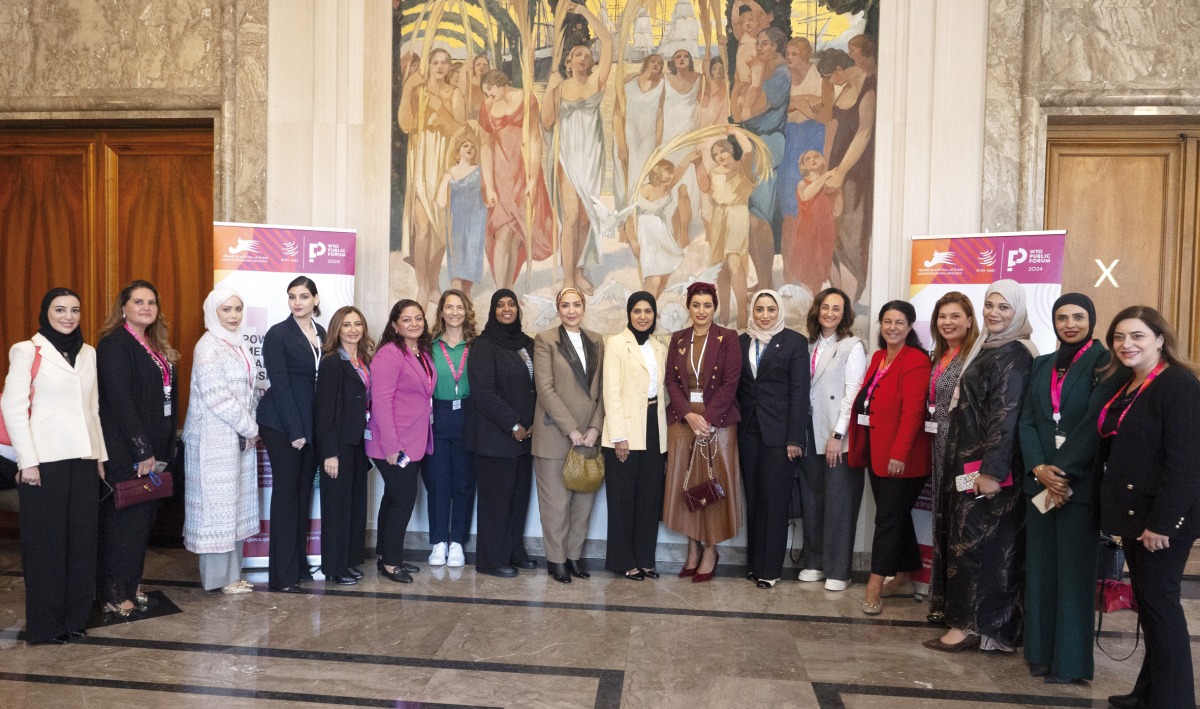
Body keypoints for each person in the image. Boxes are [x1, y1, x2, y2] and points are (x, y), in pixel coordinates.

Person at [925, 279, 1036, 652]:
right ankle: (967, 622)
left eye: (1004, 307)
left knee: (980, 548)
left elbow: (1006, 419)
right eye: (990, 305)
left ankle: (973, 628)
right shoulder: (989, 348)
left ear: (1018, 310)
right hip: (968, 464)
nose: (995, 313)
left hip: (990, 472)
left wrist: (990, 472)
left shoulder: (1016, 354)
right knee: (966, 542)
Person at [1099, 307, 1199, 709]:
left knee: (1160, 604)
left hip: (1161, 520)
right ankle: (1149, 692)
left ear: (1160, 339)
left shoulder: (1178, 385)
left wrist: (1162, 524)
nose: (1127, 345)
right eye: (1120, 337)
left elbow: (1186, 463)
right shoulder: (1127, 382)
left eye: (1138, 336)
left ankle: (1176, 701)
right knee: (1151, 603)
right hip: (1134, 514)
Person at [1017, 293, 1113, 684]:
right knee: (1039, 570)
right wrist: (1040, 468)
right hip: (1041, 485)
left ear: (1091, 319)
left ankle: (1070, 663)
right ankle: (1039, 654)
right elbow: (1026, 422)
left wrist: (1063, 472)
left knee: (1073, 576)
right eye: (1062, 317)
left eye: (1078, 316)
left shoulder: (1108, 365)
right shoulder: (1041, 365)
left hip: (1079, 485)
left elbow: (1096, 422)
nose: (1070, 323)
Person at [3, 288, 106, 643]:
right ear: (46, 312)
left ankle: (75, 619)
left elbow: (92, 409)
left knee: (82, 543)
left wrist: (100, 457)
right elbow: (13, 409)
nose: (68, 316)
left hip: (83, 459)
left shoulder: (88, 353)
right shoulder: (27, 350)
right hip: (43, 463)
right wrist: (27, 461)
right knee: (46, 546)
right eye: (60, 309)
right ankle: (46, 627)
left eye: (75, 310)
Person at [95, 280, 179, 615]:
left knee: (141, 524)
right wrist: (142, 450)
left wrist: (163, 448)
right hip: (128, 452)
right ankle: (115, 595)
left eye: (152, 302)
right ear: (124, 307)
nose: (146, 307)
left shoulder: (153, 344)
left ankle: (130, 584)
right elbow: (120, 402)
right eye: (138, 301)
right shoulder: (115, 344)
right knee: (123, 525)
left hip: (154, 451)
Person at [847, 300, 931, 615]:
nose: (892, 327)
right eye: (887, 321)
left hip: (904, 459)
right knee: (893, 515)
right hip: (876, 451)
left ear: (910, 327)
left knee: (886, 521)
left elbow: (913, 413)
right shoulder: (880, 356)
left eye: (899, 322)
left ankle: (875, 584)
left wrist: (899, 454)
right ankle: (906, 577)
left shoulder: (916, 360)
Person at [182, 288, 259, 595]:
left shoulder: (237, 343)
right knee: (216, 509)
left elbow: (249, 391)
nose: (233, 315)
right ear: (213, 312)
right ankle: (219, 579)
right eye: (226, 310)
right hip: (213, 439)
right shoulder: (208, 346)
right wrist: (250, 428)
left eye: (238, 309)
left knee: (233, 505)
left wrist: (247, 429)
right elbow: (218, 398)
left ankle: (232, 576)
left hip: (237, 436)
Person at [663, 282, 742, 583]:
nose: (701, 311)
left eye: (707, 305)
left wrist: (705, 420)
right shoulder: (678, 339)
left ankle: (710, 550)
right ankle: (692, 549)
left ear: (715, 307)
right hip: (683, 424)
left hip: (718, 423)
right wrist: (689, 416)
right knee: (686, 486)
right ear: (688, 307)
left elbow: (730, 384)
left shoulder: (728, 339)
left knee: (712, 486)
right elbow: (671, 381)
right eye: (696, 305)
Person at [531, 287, 605, 583]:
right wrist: (572, 430)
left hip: (589, 436)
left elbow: (601, 390)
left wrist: (594, 428)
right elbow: (545, 389)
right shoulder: (545, 340)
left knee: (583, 505)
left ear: (584, 307)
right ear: (558, 309)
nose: (571, 310)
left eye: (576, 305)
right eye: (565, 305)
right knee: (556, 505)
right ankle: (556, 560)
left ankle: (574, 558)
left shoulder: (597, 341)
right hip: (555, 434)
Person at [257, 276, 326, 594]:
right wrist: (296, 430)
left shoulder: (322, 333)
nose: (297, 302)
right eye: (291, 297)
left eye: (303, 296)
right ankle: (282, 577)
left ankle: (298, 566)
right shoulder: (278, 334)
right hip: (281, 425)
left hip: (309, 426)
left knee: (302, 495)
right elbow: (281, 384)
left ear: (315, 299)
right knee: (286, 497)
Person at [736, 290, 809, 589]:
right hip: (748, 432)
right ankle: (754, 564)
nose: (764, 315)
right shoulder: (741, 342)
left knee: (775, 501)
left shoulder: (794, 342)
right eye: (759, 310)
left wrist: (795, 437)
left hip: (780, 435)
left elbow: (799, 392)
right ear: (751, 312)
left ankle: (770, 569)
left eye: (770, 309)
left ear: (779, 311)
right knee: (753, 499)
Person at [540, 2, 613, 294]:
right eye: (577, 54)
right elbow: (546, 122)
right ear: (568, 62)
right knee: (570, 218)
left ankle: (578, 269)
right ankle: (568, 280)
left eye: (586, 54)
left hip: (592, 156)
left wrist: (583, 12)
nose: (583, 57)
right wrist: (549, 88)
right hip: (568, 155)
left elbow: (607, 41)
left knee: (585, 217)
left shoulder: (597, 80)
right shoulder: (560, 85)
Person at [466, 289, 538, 577]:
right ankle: (491, 559)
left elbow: (535, 387)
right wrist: (514, 424)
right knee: (496, 502)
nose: (506, 309)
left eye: (511, 304)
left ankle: (513, 551)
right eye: (500, 305)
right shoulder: (484, 346)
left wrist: (530, 424)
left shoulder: (527, 344)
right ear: (493, 310)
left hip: (526, 438)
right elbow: (483, 393)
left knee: (518, 499)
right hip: (497, 439)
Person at [798, 288, 866, 591]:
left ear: (845, 313)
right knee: (812, 501)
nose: (829, 313)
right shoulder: (807, 344)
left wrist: (838, 435)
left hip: (837, 436)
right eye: (825, 307)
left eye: (836, 309)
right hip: (809, 433)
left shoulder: (852, 345)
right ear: (817, 310)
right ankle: (813, 561)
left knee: (839, 503)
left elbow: (852, 395)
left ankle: (838, 570)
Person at [367, 299, 435, 584]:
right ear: (395, 324)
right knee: (403, 499)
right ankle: (392, 563)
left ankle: (387, 554)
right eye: (407, 319)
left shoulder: (420, 352)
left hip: (414, 440)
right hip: (393, 445)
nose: (414, 323)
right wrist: (393, 447)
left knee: (394, 498)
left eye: (418, 318)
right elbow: (381, 402)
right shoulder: (389, 354)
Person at [602, 292, 668, 580]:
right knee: (622, 498)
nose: (643, 316)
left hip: (654, 427)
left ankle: (645, 558)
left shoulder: (659, 346)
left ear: (654, 314)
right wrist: (619, 436)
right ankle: (623, 559)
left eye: (648, 311)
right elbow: (611, 392)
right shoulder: (616, 343)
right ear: (629, 314)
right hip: (625, 430)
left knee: (649, 497)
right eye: (637, 311)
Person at [924, 292, 979, 623]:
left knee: (960, 523)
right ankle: (939, 598)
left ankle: (959, 604)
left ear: (970, 320)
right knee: (940, 521)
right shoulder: (940, 355)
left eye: (955, 316)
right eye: (942, 316)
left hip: (963, 450)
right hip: (937, 447)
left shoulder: (973, 357)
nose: (948, 322)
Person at [398, 47, 466, 307]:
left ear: (449, 68)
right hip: (420, 162)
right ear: (429, 65)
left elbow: (460, 134)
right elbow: (406, 125)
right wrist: (407, 88)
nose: (440, 67)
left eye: (444, 63)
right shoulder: (418, 92)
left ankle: (434, 281)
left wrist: (442, 109)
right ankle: (422, 286)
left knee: (440, 230)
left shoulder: (454, 94)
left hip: (443, 164)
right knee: (423, 227)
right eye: (435, 62)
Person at [314, 306, 374, 586]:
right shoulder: (332, 362)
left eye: (357, 324)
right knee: (337, 509)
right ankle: (334, 568)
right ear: (337, 329)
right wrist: (330, 453)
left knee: (353, 506)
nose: (353, 330)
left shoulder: (362, 360)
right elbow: (325, 411)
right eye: (346, 324)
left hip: (358, 443)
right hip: (337, 446)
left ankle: (349, 561)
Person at [478, 70, 554, 290]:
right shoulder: (488, 107)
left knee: (515, 235)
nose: (489, 98)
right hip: (500, 175)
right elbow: (485, 146)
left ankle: (508, 288)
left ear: (501, 84)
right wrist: (490, 186)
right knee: (502, 231)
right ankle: (500, 291)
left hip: (522, 172)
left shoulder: (527, 98)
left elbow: (534, 139)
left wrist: (532, 179)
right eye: (486, 94)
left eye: (491, 93)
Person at [424, 289, 478, 568]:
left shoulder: (476, 345)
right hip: (436, 417)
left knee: (464, 484)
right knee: (438, 483)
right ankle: (438, 542)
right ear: (441, 311)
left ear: (466, 311)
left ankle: (457, 541)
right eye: (449, 307)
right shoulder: (429, 346)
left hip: (468, 417)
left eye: (460, 307)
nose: (454, 312)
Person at [695, 129, 756, 328]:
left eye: (723, 152)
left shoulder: (743, 167)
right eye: (715, 155)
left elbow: (748, 150)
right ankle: (725, 309)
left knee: (735, 261)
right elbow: (704, 186)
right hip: (718, 217)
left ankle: (741, 309)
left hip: (737, 214)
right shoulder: (715, 172)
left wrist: (736, 132)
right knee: (720, 266)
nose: (719, 157)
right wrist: (700, 158)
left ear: (732, 150)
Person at [435, 131, 487, 296]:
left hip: (476, 223)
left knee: (471, 264)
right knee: (457, 273)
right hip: (456, 223)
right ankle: (456, 302)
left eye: (473, 146)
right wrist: (446, 178)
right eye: (466, 145)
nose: (470, 148)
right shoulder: (451, 172)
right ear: (458, 152)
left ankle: (467, 304)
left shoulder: (480, 170)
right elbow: (441, 202)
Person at [631, 158, 692, 298]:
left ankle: (651, 306)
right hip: (647, 235)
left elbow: (681, 168)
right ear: (657, 172)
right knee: (654, 278)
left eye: (671, 173)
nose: (671, 176)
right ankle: (646, 307)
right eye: (667, 172)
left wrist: (691, 155)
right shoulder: (644, 189)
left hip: (662, 235)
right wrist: (633, 240)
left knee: (664, 276)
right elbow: (629, 217)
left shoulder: (667, 188)